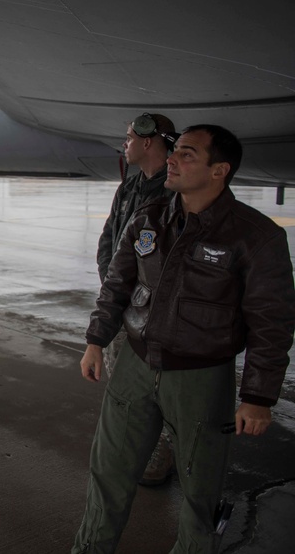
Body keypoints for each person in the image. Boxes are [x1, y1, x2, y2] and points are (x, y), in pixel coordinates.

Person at [71, 125, 295, 553]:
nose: (172, 160)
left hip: (200, 378)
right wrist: (96, 340)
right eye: (175, 153)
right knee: (108, 476)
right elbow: (117, 285)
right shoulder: (149, 217)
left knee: (199, 493)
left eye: (188, 155)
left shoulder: (255, 236)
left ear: (219, 170)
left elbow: (272, 322)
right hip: (134, 366)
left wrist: (258, 397)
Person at [96, 113, 178, 485]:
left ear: (148, 143)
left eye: (128, 138)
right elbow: (108, 238)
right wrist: (112, 285)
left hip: (157, 311)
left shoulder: (174, 190)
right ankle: (139, 447)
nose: (124, 144)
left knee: (158, 383)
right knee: (124, 382)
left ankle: (163, 454)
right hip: (122, 302)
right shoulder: (130, 186)